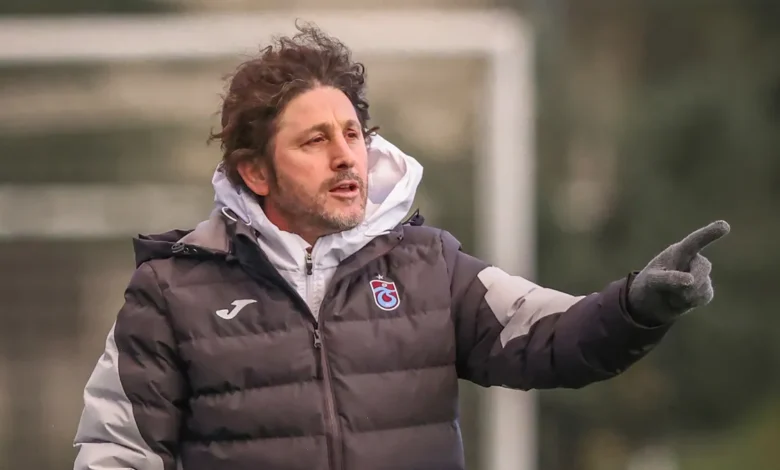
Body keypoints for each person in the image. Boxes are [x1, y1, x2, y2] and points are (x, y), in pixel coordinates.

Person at [72, 23, 730, 470]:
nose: (345, 156)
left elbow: (554, 335)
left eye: (352, 134)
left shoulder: (431, 266)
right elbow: (116, 453)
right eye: (314, 141)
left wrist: (640, 304)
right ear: (256, 173)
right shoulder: (170, 292)